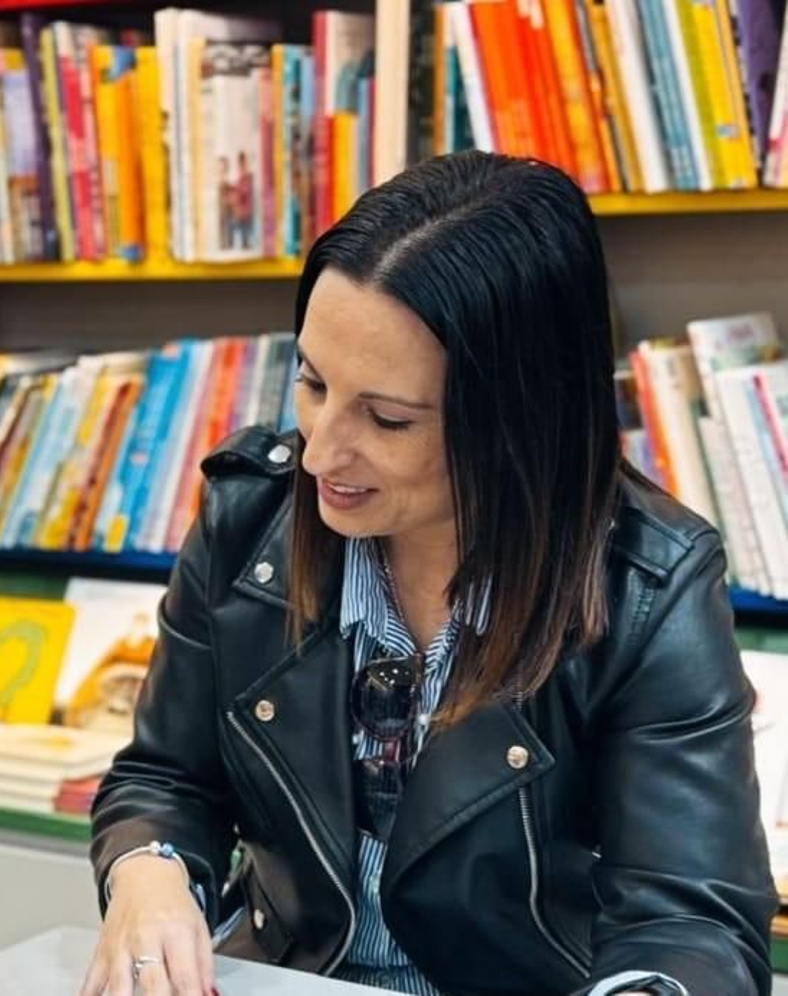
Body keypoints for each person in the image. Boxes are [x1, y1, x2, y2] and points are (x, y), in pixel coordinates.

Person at [83, 151, 776, 996]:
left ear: (519, 420)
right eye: (312, 382)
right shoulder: (248, 517)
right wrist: (149, 873)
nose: (322, 453)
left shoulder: (649, 587)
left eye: (387, 419)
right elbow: (166, 778)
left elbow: (691, 921)